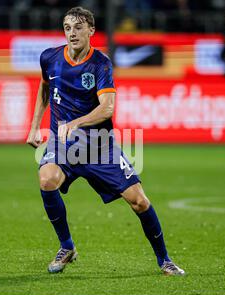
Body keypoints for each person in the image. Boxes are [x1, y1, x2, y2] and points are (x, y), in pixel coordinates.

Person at [26, 6, 185, 276]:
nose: (72, 33)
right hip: (63, 146)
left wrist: (75, 123)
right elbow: (44, 86)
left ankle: (164, 260)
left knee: (139, 201)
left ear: (91, 30)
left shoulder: (100, 64)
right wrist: (34, 127)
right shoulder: (49, 58)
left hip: (99, 147)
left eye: (78, 27)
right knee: (46, 179)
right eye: (67, 27)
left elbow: (107, 107)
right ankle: (67, 247)